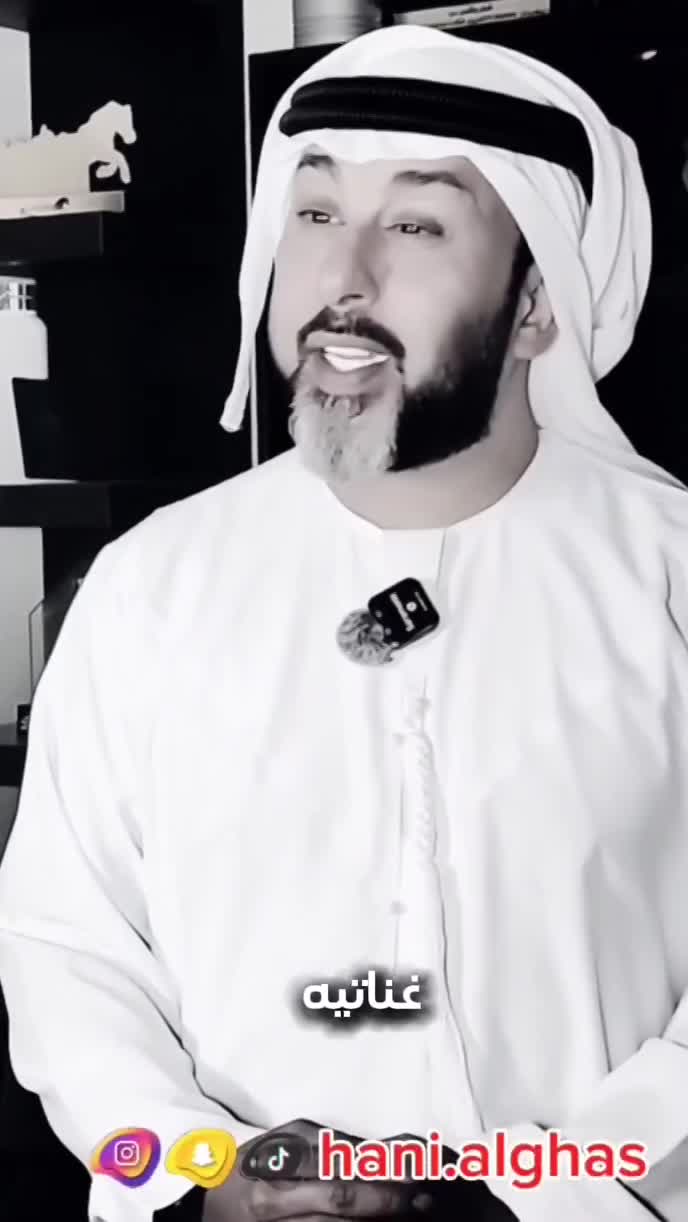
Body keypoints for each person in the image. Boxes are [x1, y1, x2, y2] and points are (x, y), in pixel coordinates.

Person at [1, 21, 687, 1222]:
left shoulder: (668, 575)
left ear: (537, 302)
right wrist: (198, 1169)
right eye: (315, 214)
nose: (342, 279)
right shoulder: (154, 587)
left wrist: (531, 1196)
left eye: (416, 225)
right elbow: (68, 949)